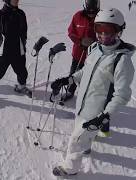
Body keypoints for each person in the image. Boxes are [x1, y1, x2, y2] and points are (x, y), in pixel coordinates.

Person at [51, 8, 135, 177]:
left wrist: (105, 116)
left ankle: (70, 168)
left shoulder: (121, 60)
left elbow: (122, 95)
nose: (104, 35)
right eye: (99, 30)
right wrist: (68, 79)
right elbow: (85, 71)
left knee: (75, 140)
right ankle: (86, 145)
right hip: (82, 103)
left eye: (109, 31)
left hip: (96, 111)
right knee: (81, 133)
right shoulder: (95, 48)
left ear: (119, 31)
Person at [0, 0, 30, 104]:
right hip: (4, 51)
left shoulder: (21, 14)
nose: (17, 0)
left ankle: (21, 87)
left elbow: (24, 31)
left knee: (22, 71)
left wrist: (23, 44)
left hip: (18, 50)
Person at [63, 0, 99, 101]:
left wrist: (94, 42)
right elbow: (71, 32)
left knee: (92, 77)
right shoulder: (78, 16)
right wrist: (80, 41)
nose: (91, 15)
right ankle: (70, 91)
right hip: (78, 53)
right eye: (89, 12)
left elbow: (105, 35)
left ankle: (90, 96)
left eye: (93, 12)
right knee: (74, 74)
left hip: (94, 55)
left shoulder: (101, 18)